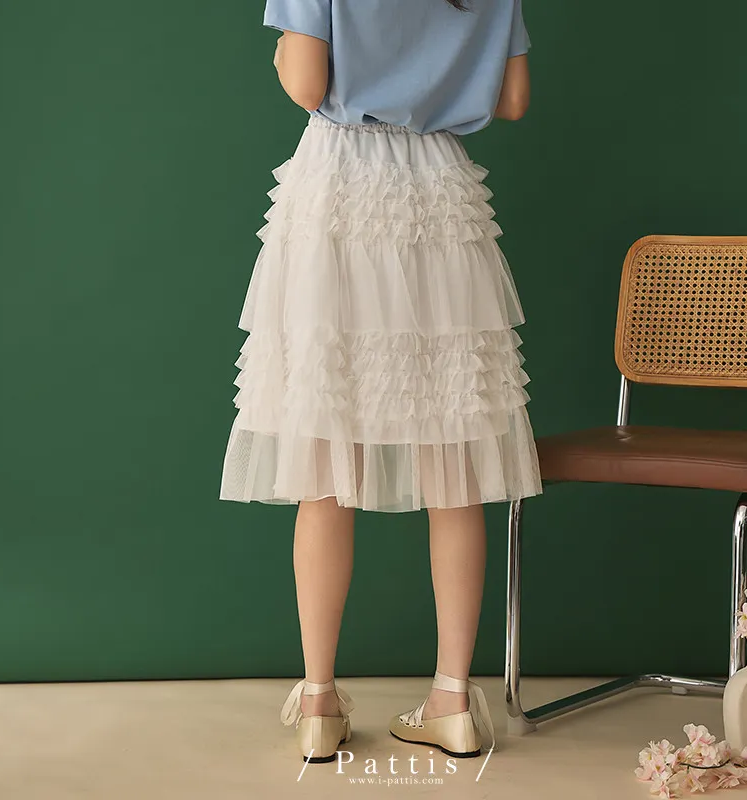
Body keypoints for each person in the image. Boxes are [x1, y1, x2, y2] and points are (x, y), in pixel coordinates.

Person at [220, 0, 542, 764]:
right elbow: (513, 99)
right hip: (440, 193)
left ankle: (319, 702)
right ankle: (453, 702)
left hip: (339, 186)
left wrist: (286, 55)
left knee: (325, 454)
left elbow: (306, 84)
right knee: (455, 459)